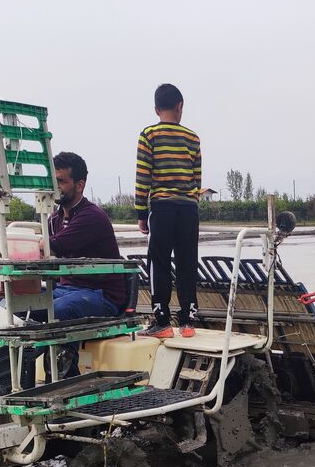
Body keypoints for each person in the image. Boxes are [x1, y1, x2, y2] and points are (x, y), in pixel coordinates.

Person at [12, 151, 127, 382]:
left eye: (62, 182)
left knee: (61, 310)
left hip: (101, 296)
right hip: (67, 290)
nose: (57, 188)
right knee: (7, 302)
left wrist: (30, 246)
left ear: (80, 185)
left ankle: (65, 382)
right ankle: (16, 377)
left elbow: (54, 245)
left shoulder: (91, 216)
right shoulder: (54, 219)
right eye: (54, 182)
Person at [134, 83, 202, 339]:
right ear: (180, 106)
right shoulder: (192, 138)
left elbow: (143, 176)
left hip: (162, 208)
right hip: (188, 209)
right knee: (187, 262)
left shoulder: (149, 135)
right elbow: (196, 178)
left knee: (159, 262)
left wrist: (141, 212)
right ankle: (187, 322)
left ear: (155, 109)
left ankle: (161, 321)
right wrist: (190, 202)